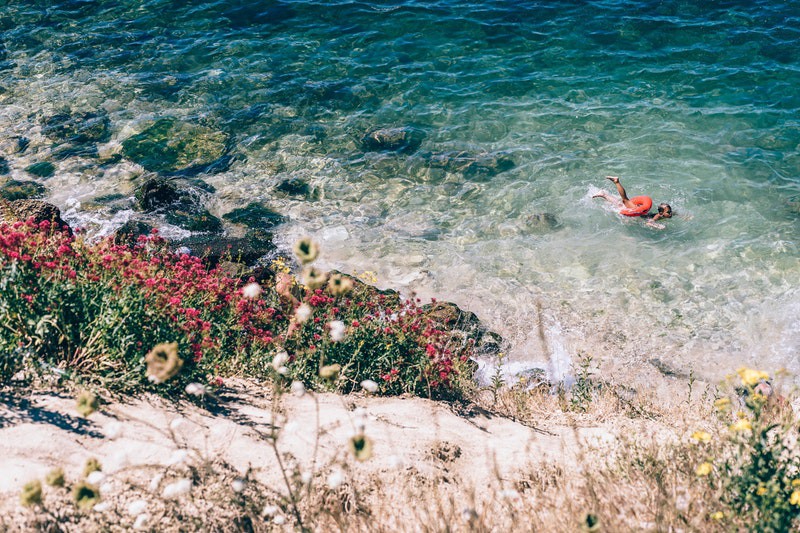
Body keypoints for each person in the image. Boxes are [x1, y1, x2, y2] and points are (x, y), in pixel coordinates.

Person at [593, 176, 672, 228]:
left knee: (621, 204)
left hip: (640, 211)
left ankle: (603, 194)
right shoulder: (657, 216)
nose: (670, 213)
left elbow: (674, 213)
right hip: (638, 211)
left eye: (670, 211)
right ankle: (616, 181)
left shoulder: (664, 214)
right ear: (661, 213)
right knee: (625, 200)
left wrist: (682, 216)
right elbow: (649, 223)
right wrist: (659, 226)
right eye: (668, 212)